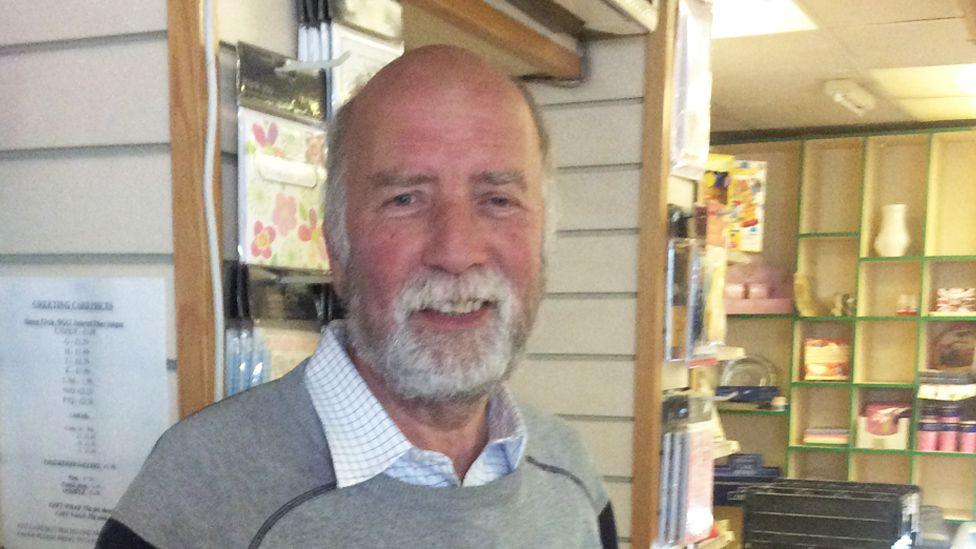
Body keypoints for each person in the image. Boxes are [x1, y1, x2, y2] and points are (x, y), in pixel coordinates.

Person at [98, 45, 617, 549]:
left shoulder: (573, 480)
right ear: (337, 250)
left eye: (498, 200)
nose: (455, 251)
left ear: (544, 242)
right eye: (405, 200)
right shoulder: (198, 498)